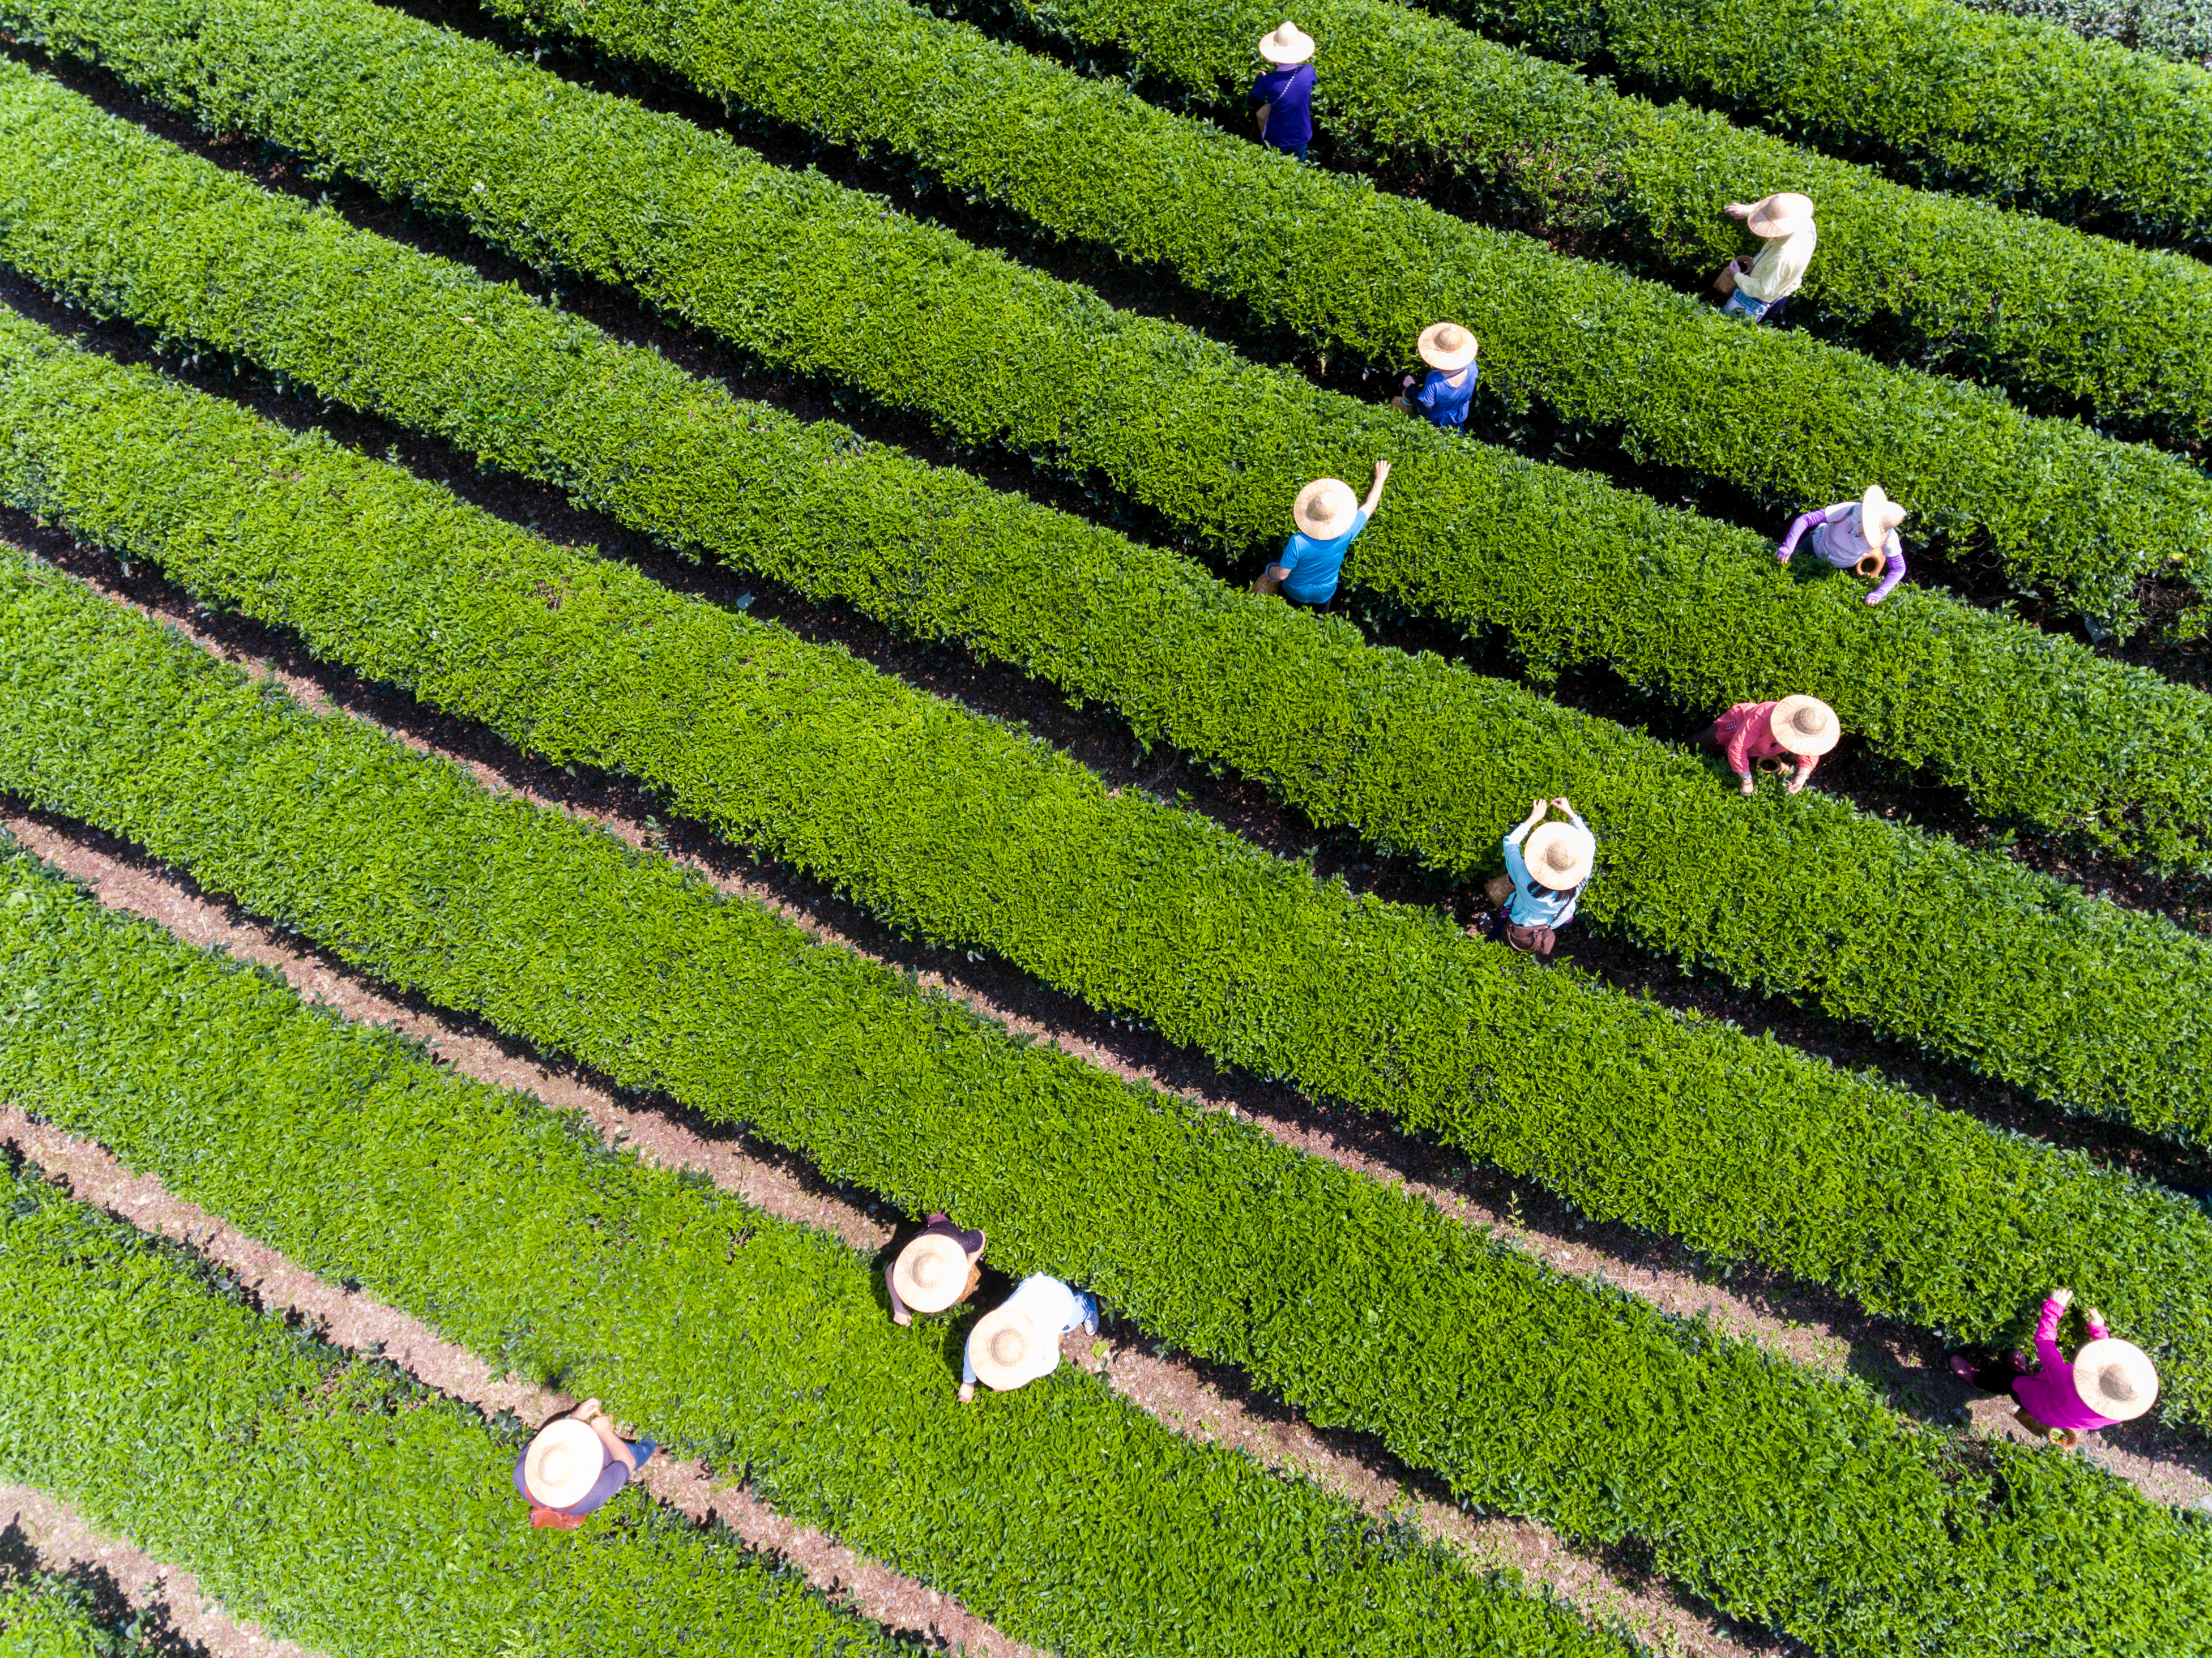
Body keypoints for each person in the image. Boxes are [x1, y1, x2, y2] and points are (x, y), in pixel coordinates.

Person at [1949, 1288, 2158, 1448]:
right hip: (2060, 1410)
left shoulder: (2070, 1381)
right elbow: (2112, 1367)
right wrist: (2099, 1330)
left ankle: (1977, 1380)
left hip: (2038, 1405)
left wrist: (2054, 1309)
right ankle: (2021, 1374)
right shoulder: (2123, 1406)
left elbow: (2045, 1344)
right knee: (2028, 1378)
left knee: (2010, 1382)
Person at [1255, 463, 1390, 609]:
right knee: (1321, 623)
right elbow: (1370, 506)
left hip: (1296, 592)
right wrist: (1380, 479)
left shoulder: (1298, 542)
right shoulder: (1347, 532)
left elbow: (1282, 575)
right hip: (1325, 592)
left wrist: (1270, 571)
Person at [1479, 797, 1595, 959]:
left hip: (1520, 918)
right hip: (1549, 922)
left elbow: (1510, 843)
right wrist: (1572, 814)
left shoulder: (1524, 876)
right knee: (1528, 931)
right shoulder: (1582, 878)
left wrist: (1534, 818)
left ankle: (1490, 938)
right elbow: (1590, 843)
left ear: (1546, 857)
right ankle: (1518, 951)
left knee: (1505, 926)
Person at [515, 1399, 656, 1529]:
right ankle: (655, 1433)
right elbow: (627, 1461)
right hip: (610, 1455)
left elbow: (537, 1442)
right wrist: (603, 1432)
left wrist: (575, 1417)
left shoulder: (521, 1475)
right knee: (638, 1453)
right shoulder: (594, 1495)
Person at [958, 1273, 1100, 1403]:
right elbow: (973, 1344)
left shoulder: (1045, 1333)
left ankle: (1088, 1304)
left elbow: (1051, 1363)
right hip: (1034, 1284)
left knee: (1071, 1321)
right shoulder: (997, 1318)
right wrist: (968, 1381)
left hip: (1063, 1301)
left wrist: (1019, 1380)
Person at [1776, 483, 1910, 606]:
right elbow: (1806, 520)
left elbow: (1898, 568)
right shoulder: (1850, 510)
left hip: (1839, 567)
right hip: (1814, 547)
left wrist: (1879, 593)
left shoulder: (1890, 537)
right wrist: (1789, 546)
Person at [1690, 695, 1839, 796]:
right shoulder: (1764, 715)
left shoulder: (1810, 731)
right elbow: (1738, 748)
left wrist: (1802, 776)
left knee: (1752, 758)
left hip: (1759, 746)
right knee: (1699, 743)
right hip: (1733, 728)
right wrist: (1747, 780)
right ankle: (1673, 749)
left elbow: (1810, 752)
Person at [1715, 193, 1816, 324]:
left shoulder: (1784, 255)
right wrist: (1747, 211)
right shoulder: (1804, 220)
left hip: (1761, 300)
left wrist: (1737, 276)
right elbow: (1776, 209)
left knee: (1731, 327)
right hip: (1766, 281)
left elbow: (1763, 291)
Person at [886, 1212, 986, 1326]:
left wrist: (967, 1268)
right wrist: (898, 1308)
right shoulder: (908, 1264)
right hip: (924, 1235)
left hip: (939, 1224)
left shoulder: (960, 1243)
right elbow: (890, 1274)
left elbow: (980, 1237)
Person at [1391, 322, 1479, 433]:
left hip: (1436, 423)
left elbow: (1423, 409)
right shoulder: (1472, 365)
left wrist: (1411, 387)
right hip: (1459, 416)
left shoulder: (1435, 381)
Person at [1248, 22, 1316, 162]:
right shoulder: (1309, 72)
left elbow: (1252, 100)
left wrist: (1259, 80)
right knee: (1297, 171)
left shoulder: (1269, 81)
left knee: (1270, 169)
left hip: (1276, 138)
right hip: (1302, 136)